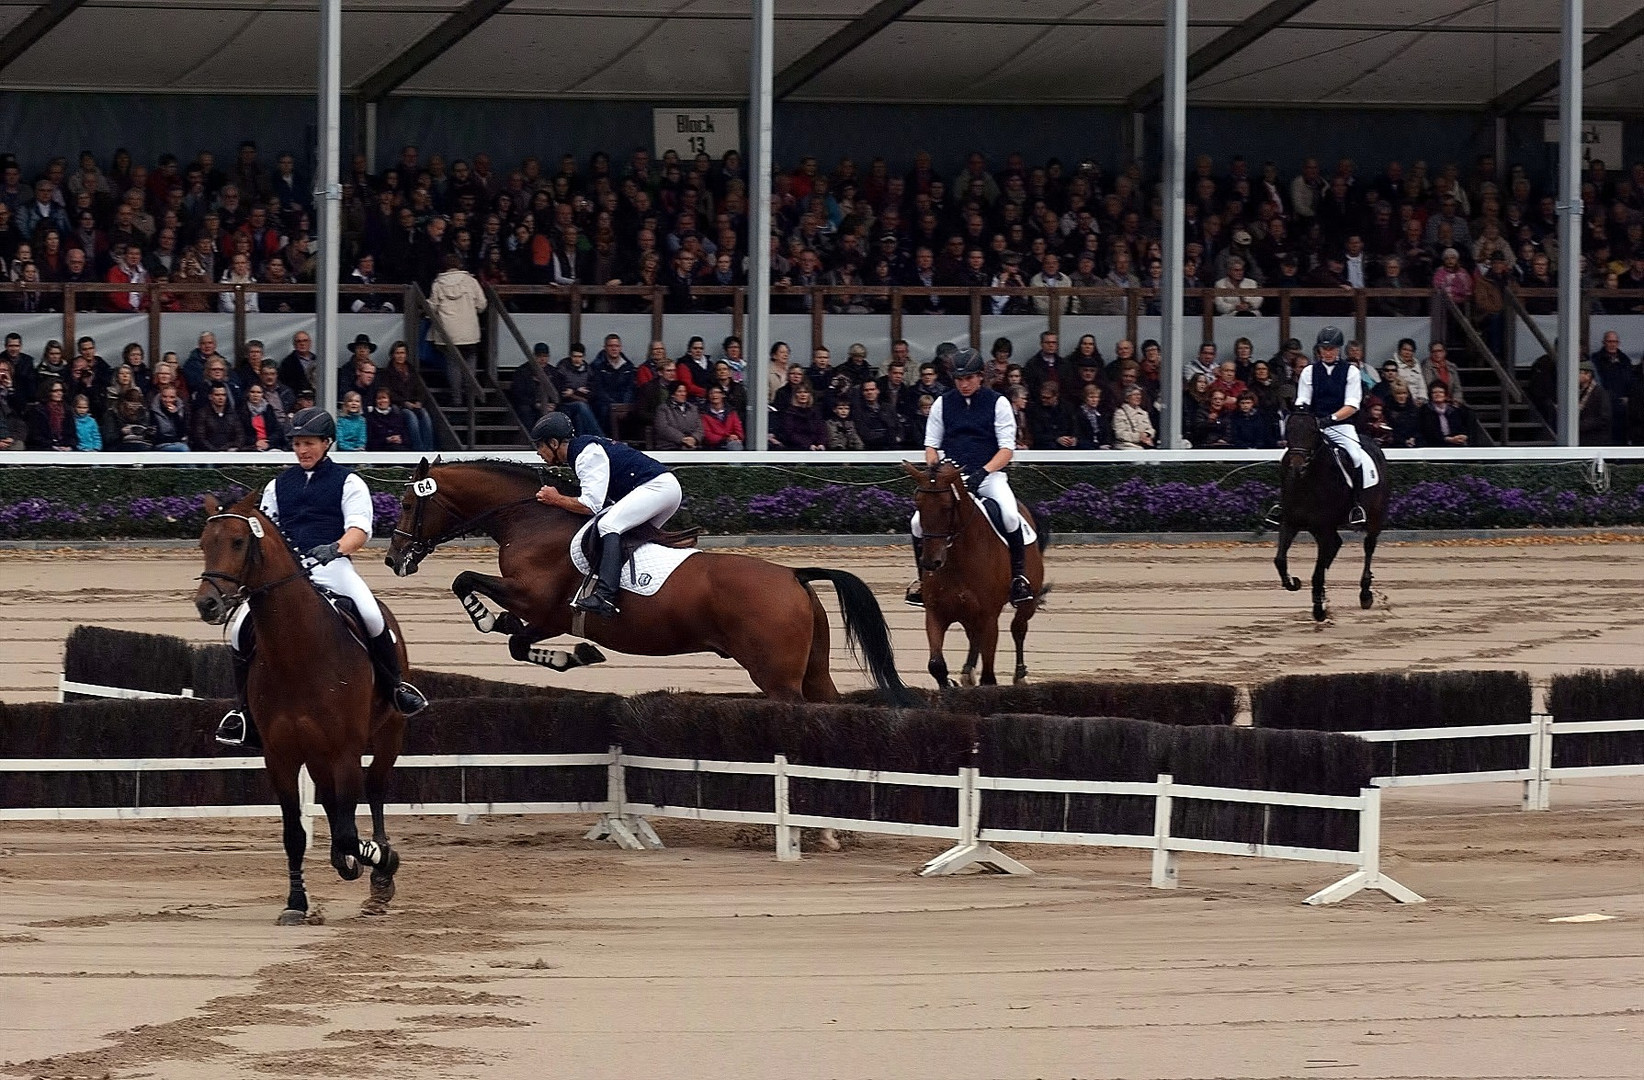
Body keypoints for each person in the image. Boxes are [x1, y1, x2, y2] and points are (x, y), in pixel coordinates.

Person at [215, 407, 428, 747]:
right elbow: (263, 532)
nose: (302, 450)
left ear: (327, 443)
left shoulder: (349, 482)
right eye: (297, 444)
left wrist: (336, 548)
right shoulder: (276, 486)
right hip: (284, 572)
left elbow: (359, 530)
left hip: (332, 564)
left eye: (309, 443)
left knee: (372, 615)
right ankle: (243, 712)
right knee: (240, 630)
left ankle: (395, 687)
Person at [907, 347, 1032, 609]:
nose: (963, 384)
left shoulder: (998, 403)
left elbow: (1006, 449)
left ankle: (1018, 577)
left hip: (989, 475)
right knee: (918, 522)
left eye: (969, 379)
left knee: (1010, 515)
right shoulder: (942, 403)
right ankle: (923, 580)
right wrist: (937, 474)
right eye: (959, 379)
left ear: (980, 377)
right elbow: (931, 445)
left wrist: (983, 473)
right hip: (951, 479)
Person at [528, 411, 683, 619]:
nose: (538, 452)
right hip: (662, 488)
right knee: (628, 535)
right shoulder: (581, 452)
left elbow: (591, 506)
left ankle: (605, 596)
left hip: (657, 488)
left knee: (608, 525)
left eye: (540, 445)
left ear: (554, 443)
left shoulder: (585, 454)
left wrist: (556, 499)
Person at [1265, 326, 1382, 529]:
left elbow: (1352, 404)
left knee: (1355, 455)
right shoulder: (1309, 371)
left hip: (1342, 426)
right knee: (1287, 457)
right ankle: (1282, 504)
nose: (1328, 353)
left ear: (1338, 349)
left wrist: (1331, 418)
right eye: (1324, 349)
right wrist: (1302, 413)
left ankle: (1356, 505)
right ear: (1319, 350)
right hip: (1314, 426)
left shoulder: (1351, 372)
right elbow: (1303, 398)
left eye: (1332, 349)